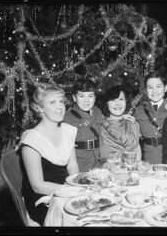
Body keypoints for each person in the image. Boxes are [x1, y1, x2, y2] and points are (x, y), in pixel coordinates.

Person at [18, 82, 79, 226]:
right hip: (42, 198)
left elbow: (73, 166)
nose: (60, 107)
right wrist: (72, 190)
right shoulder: (31, 140)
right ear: (40, 108)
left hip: (67, 189)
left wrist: (77, 185)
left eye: (62, 102)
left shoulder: (67, 130)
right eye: (52, 102)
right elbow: (37, 186)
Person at [134, 71, 167, 164]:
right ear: (146, 91)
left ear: (166, 88)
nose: (154, 91)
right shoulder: (139, 110)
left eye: (158, 86)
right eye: (150, 87)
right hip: (148, 157)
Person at [63, 79, 102, 172]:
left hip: (97, 166)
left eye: (90, 96)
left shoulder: (98, 111)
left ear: (95, 98)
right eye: (81, 96)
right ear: (74, 98)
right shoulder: (66, 117)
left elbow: (107, 122)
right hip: (79, 167)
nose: (86, 100)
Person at [100, 85, 142, 161]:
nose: (118, 103)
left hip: (131, 168)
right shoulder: (101, 125)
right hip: (108, 169)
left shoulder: (132, 124)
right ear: (107, 103)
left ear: (126, 101)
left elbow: (137, 148)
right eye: (113, 100)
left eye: (121, 99)